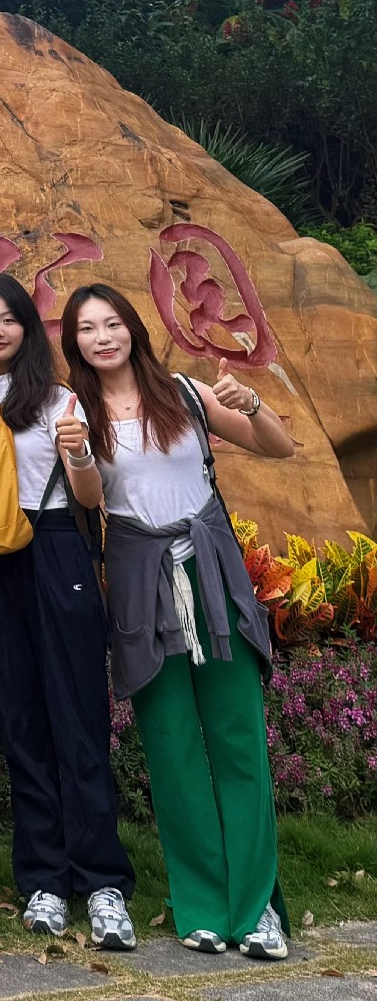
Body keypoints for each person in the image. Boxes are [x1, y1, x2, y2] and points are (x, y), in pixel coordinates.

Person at [59, 283, 296, 958]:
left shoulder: (185, 393)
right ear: (74, 343)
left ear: (132, 327)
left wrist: (253, 404)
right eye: (87, 329)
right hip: (142, 583)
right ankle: (201, 906)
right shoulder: (77, 411)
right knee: (172, 747)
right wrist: (78, 452)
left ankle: (257, 907)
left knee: (238, 740)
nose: (103, 337)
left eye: (112, 323)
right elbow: (90, 500)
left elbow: (278, 446)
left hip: (211, 574)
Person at [0, 274, 136, 948]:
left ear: (27, 326)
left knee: (78, 718)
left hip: (55, 548)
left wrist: (76, 452)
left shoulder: (57, 399)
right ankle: (44, 878)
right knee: (20, 721)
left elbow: (89, 495)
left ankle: (102, 880)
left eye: (8, 319)